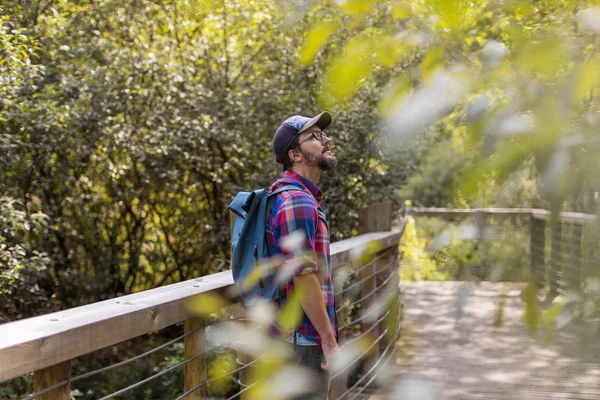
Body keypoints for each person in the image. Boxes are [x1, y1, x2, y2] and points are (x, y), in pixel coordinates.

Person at [266, 112, 340, 399]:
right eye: (315, 136)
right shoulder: (296, 201)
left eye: (323, 134)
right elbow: (304, 278)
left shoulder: (295, 196)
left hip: (296, 338)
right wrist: (329, 341)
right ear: (294, 154)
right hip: (303, 341)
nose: (326, 140)